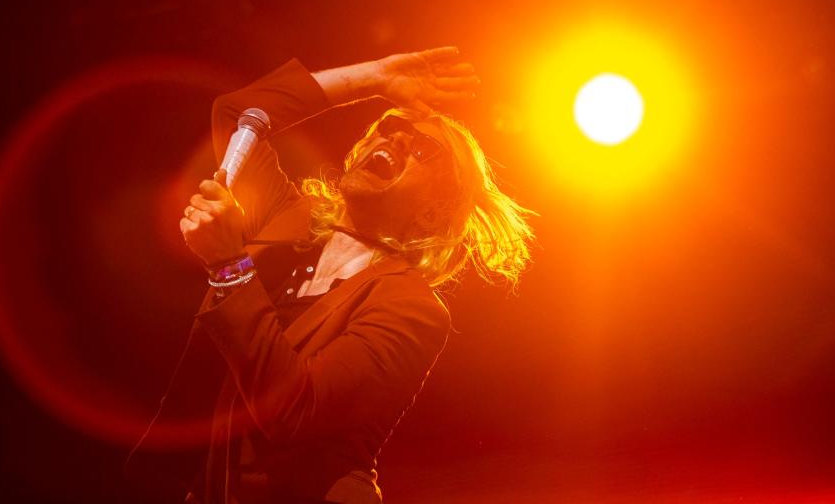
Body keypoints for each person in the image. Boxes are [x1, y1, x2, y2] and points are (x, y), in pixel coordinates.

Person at [128, 48, 534, 503]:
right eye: (389, 127)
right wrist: (374, 78)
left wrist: (229, 267)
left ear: (435, 212)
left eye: (423, 149)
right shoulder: (286, 222)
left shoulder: (411, 306)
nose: (394, 140)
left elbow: (296, 412)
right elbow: (241, 114)